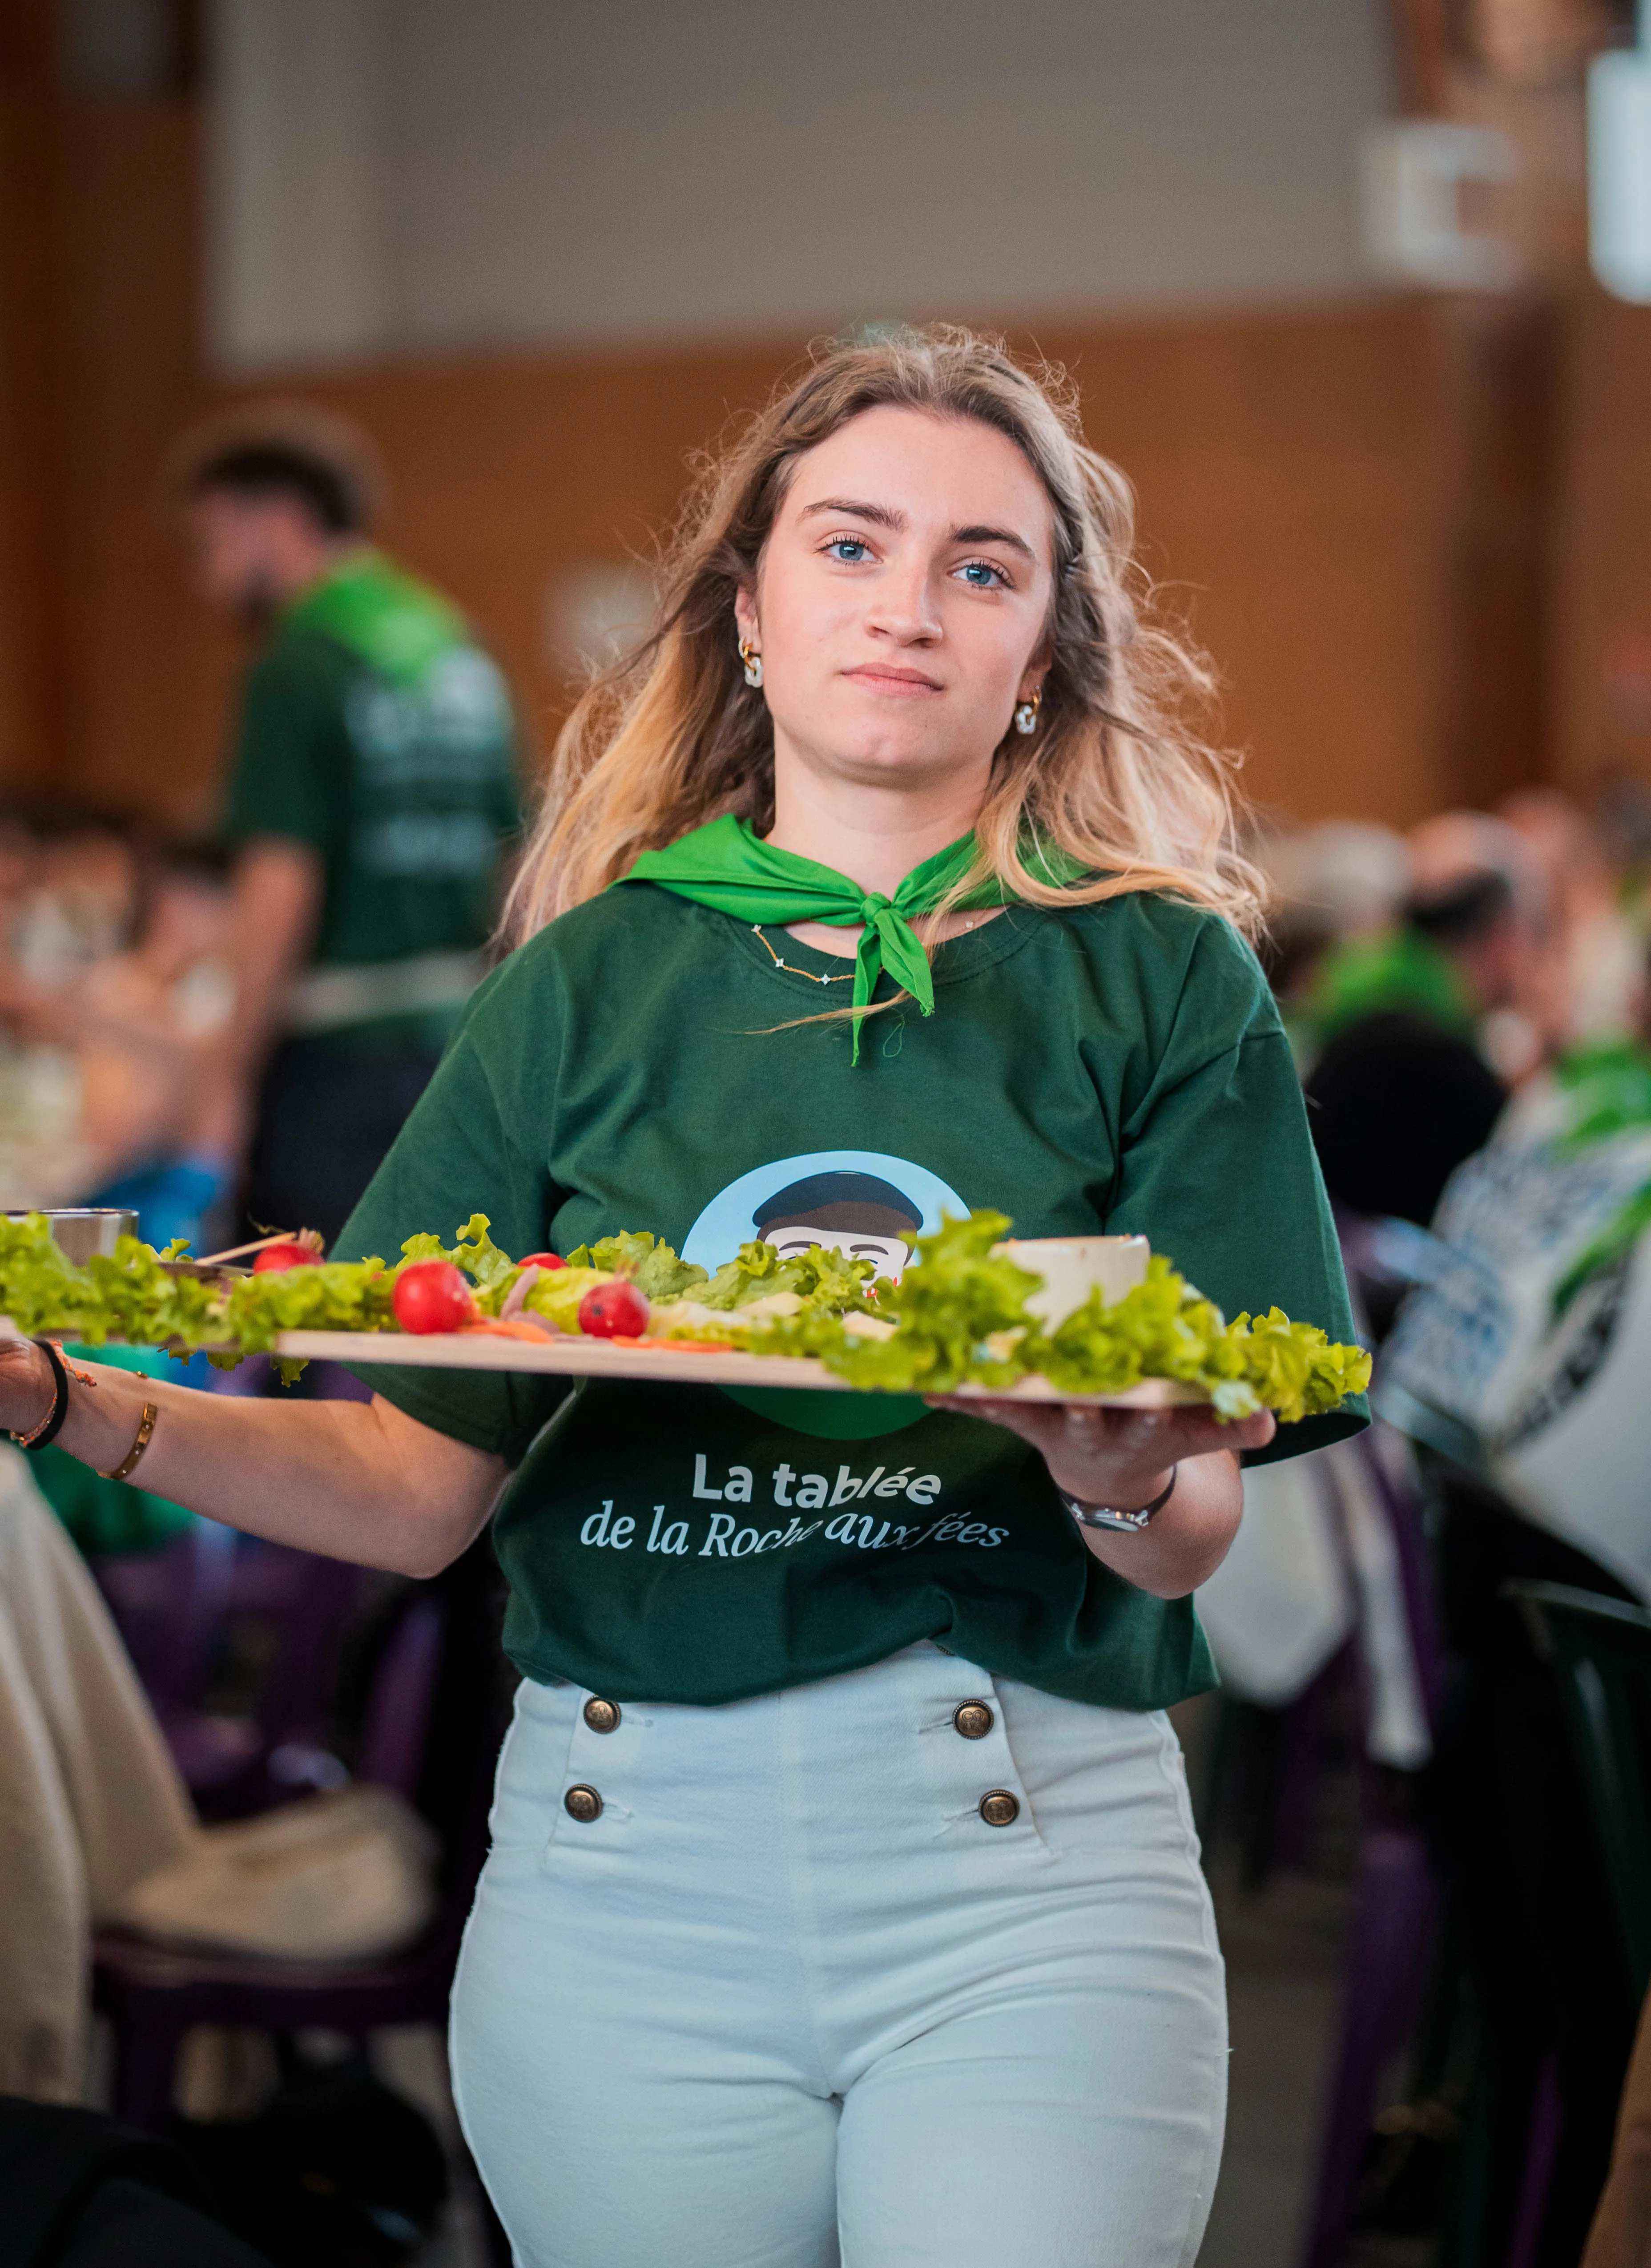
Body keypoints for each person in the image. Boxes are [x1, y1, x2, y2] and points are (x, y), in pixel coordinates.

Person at [5, 330, 1364, 2267]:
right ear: (748, 610)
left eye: (981, 565)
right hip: (620, 1857)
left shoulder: (1162, 975)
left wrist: (1117, 1470)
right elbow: (410, 1488)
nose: (907, 604)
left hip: (1027, 1852)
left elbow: (1188, 1529)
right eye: (850, 545)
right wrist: (60, 1394)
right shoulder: (584, 978)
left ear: (1045, 649)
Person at [169, 404, 522, 1249]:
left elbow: (280, 879)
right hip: (457, 1047)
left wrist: (225, 1079)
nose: (205, 579)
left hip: (334, 1066)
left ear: (278, 519)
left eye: (211, 543)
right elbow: (518, 861)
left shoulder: (301, 662)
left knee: (310, 1302)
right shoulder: (459, 651)